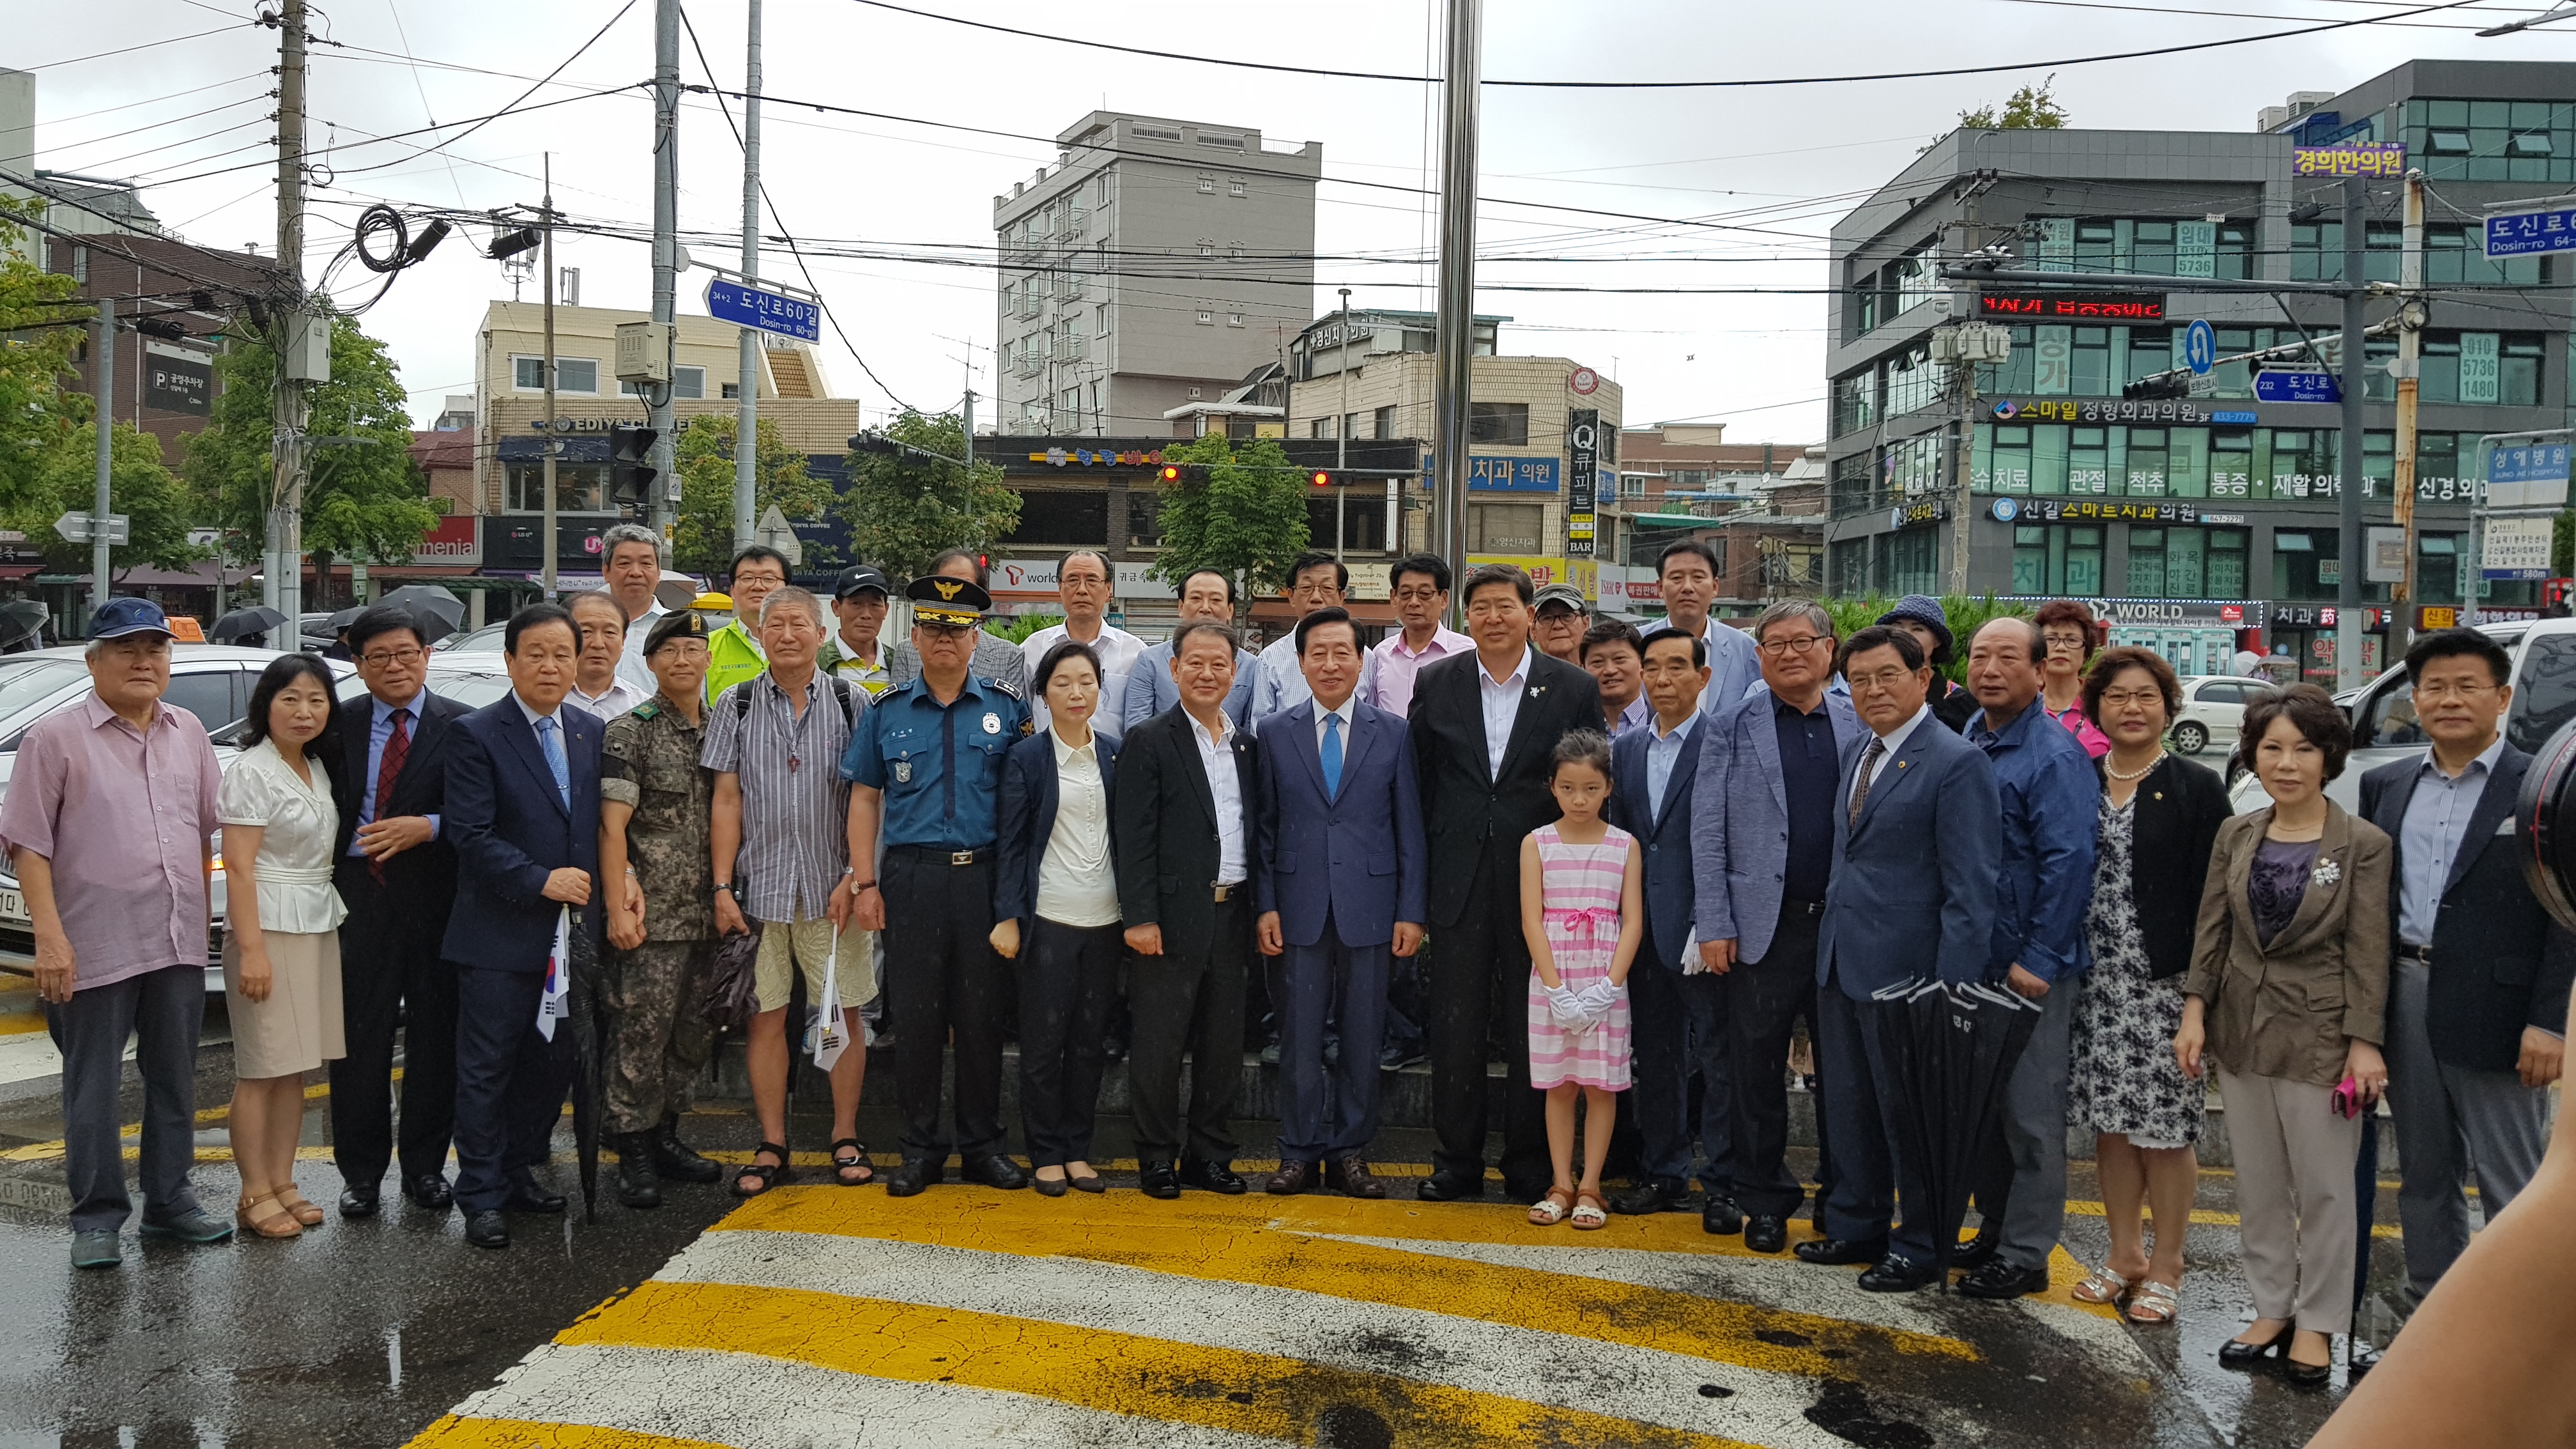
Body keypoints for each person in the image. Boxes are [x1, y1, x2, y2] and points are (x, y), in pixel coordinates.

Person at [1, 599, 234, 1266]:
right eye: (126, 649)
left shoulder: (187, 729)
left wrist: (198, 917)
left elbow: (201, 831)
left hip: (176, 940)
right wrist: (50, 939)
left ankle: (171, 1204)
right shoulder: (55, 739)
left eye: (155, 649)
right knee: (93, 1087)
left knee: (173, 1079)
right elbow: (29, 848)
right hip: (91, 942)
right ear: (93, 660)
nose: (143, 661)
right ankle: (96, 1220)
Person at [2177, 684, 2391, 1388]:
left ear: (2329, 756)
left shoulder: (2362, 844)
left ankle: (2320, 1322)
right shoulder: (2238, 833)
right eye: (2272, 747)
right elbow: (2213, 929)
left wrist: (2365, 1041)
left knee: (2327, 1190)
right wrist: (2195, 1010)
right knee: (2260, 1184)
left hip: (2323, 1037)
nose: (2287, 762)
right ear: (2253, 755)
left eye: (2304, 748)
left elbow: (2367, 949)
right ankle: (2271, 1307)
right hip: (2241, 1029)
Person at [2358, 628, 2573, 1312]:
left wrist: (2549, 1020)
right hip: (2406, 994)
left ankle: (2524, 1321)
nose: (2449, 700)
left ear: (2502, 697)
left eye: (2467, 686)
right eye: (2434, 688)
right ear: (2415, 700)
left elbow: (2568, 913)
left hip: (2503, 1010)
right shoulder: (2385, 784)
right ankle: (2431, 1305)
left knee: (2510, 1175)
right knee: (2423, 1170)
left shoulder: (2541, 787)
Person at [1797, 624, 2000, 1292]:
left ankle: (1918, 1245)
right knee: (1850, 1108)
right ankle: (1856, 1225)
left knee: (1910, 1118)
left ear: (1924, 680)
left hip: (1914, 976)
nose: (1872, 690)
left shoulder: (1956, 761)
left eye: (1888, 676)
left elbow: (1971, 889)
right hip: (1843, 962)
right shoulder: (1860, 749)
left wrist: (1952, 989)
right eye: (1859, 680)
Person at [1409, 564, 1604, 1203]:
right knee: (1455, 1024)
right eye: (1482, 607)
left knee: (1535, 1023)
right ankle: (1455, 1161)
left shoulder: (1572, 686)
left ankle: (1529, 1163)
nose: (1494, 618)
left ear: (1528, 615)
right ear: (1465, 617)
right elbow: (1421, 785)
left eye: (1506, 606)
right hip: (1457, 878)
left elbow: (1589, 786)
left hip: (1543, 884)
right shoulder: (1437, 682)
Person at [843, 574, 1031, 1196]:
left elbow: (1023, 808)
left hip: (982, 881)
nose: (945, 639)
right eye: (933, 628)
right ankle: (920, 1149)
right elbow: (865, 798)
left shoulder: (1009, 711)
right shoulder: (888, 713)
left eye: (958, 629)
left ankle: (982, 1147)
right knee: (918, 1022)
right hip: (911, 879)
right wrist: (865, 882)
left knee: (981, 1020)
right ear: (915, 637)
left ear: (977, 638)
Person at [2065, 646, 2229, 1326]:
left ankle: (2168, 1264)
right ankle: (2125, 1253)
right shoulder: (2079, 779)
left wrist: (2199, 1003)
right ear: (2096, 705)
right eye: (2118, 697)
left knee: (2165, 1133)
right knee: (2111, 1129)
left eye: (2147, 697)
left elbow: (2217, 904)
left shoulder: (2195, 787)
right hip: (2095, 984)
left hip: (2164, 987)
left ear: (2168, 706)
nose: (2132, 709)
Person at [1696, 600, 1864, 1254]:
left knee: (1845, 1075)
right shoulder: (1731, 725)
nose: (1789, 653)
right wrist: (1714, 922)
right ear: (1758, 656)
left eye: (1803, 642)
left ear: (1830, 649)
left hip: (1842, 928)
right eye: (1775, 644)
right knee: (1755, 1070)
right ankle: (1763, 1197)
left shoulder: (1861, 721)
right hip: (1762, 928)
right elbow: (1708, 831)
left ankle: (1842, 1197)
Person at [441, 602, 601, 1250]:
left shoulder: (590, 730)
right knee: (487, 1066)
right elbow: (470, 835)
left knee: (551, 1062)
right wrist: (541, 879)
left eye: (562, 654)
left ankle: (518, 1171)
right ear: (510, 661)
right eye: (535, 653)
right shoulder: (477, 735)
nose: (550, 665)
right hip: (499, 934)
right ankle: (479, 1192)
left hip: (570, 939)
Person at [1254, 607, 1425, 1199]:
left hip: (1372, 906)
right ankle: (1298, 1152)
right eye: (1318, 653)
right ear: (1300, 663)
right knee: (1298, 1037)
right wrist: (1266, 904)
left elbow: (1410, 829)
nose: (1330, 664)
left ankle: (1351, 1151)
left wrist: (1411, 910)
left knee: (1362, 1034)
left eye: (1342, 652)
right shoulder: (1275, 732)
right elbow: (1266, 830)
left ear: (1361, 660)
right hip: (1297, 907)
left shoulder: (1394, 732)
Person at [706, 585, 871, 1197]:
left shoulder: (854, 702)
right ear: (760, 633)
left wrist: (856, 877)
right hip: (762, 889)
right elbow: (726, 799)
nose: (787, 635)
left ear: (821, 634)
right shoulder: (737, 703)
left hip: (835, 893)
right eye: (775, 625)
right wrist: (723, 885)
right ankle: (772, 1141)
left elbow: (866, 798)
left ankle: (845, 1135)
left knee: (844, 1015)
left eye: (799, 624)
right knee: (766, 1018)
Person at [1954, 617, 2101, 1300]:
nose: (1990, 669)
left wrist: (2040, 955)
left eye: (2007, 657)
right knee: (1981, 1108)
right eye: (1980, 656)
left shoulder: (2053, 754)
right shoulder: (1970, 739)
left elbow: (2070, 862)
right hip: (1974, 958)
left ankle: (2026, 1250)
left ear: (2042, 673)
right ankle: (1995, 1227)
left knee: (2030, 1113)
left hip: (2028, 964)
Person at [326, 605, 470, 1219]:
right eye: (378, 657)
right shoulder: (336, 725)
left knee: (437, 1040)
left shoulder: (463, 726)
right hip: (358, 900)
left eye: (406, 653)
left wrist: (428, 826)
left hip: (436, 901)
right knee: (360, 1041)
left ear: (427, 655)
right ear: (358, 666)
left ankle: (426, 1169)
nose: (394, 666)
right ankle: (360, 1174)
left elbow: (483, 813)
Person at [1110, 622, 1259, 1199]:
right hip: (1170, 917)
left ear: (1234, 672)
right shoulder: (1150, 740)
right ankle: (1155, 1156)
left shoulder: (1246, 744)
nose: (1206, 674)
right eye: (1194, 663)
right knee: (1160, 1042)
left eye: (1218, 664)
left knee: (1223, 1044)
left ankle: (1209, 1155)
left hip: (1234, 912)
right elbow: (1134, 835)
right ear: (1173, 670)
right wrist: (1140, 917)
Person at [214, 654, 350, 1239]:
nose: (304, 711)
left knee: (296, 1067)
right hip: (265, 924)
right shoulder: (251, 770)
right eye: (290, 698)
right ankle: (252, 1192)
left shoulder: (314, 767)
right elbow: (239, 869)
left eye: (316, 699)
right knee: (262, 1067)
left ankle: (284, 1182)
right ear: (266, 704)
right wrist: (252, 951)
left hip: (316, 920)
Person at [596, 608, 725, 1209]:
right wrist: (620, 903)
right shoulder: (632, 730)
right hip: (653, 916)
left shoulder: (723, 729)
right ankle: (633, 1146)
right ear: (649, 664)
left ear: (707, 660)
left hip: (711, 912)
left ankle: (668, 1133)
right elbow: (612, 826)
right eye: (669, 651)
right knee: (639, 1033)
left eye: (692, 651)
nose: (682, 661)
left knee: (693, 1034)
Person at [1606, 629, 1729, 1227]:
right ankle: (1665, 1173)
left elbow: (1736, 843)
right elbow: (1626, 841)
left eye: (1677, 667)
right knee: (1655, 1057)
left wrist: (1714, 919)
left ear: (1703, 677)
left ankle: (1728, 1181)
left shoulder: (1725, 744)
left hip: (1708, 932)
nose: (1662, 679)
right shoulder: (1625, 750)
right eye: (1652, 667)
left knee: (1720, 1055)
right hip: (1645, 929)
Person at [995, 640, 1123, 1197]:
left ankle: (1077, 1149)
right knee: (1044, 1044)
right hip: (1048, 918)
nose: (1076, 692)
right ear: (1043, 694)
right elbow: (1012, 844)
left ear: (1100, 688)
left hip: (1106, 922)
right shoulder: (1027, 758)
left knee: (1090, 1044)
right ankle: (1045, 1151)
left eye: (1086, 681)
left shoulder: (1117, 754)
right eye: (1063, 682)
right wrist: (1007, 916)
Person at [1521, 730, 1646, 1229]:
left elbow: (1633, 919)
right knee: (1559, 1085)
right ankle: (1560, 1182)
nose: (1579, 799)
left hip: (1604, 980)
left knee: (1601, 1086)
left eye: (1591, 788)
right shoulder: (1537, 844)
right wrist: (1555, 988)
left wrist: (1607, 988)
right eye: (1569, 788)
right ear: (1552, 786)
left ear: (1609, 788)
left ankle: (1592, 1185)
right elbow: (1533, 919)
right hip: (1553, 979)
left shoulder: (1624, 846)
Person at [1018, 550, 1146, 736]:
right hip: (1048, 761)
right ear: (1060, 588)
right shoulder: (1033, 649)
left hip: (1113, 762)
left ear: (1108, 589)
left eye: (1092, 580)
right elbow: (1023, 713)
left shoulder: (1135, 653)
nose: (1082, 590)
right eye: (1072, 581)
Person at [1247, 551, 1379, 724]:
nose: (1316, 598)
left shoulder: (1365, 657)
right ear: (1292, 596)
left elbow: (1372, 721)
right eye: (1306, 588)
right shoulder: (1270, 659)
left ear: (1341, 597)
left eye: (1327, 588)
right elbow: (1260, 729)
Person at [1124, 567, 1259, 731]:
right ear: (1181, 607)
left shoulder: (1252, 666)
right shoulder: (1149, 661)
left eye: (1216, 600)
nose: (1205, 607)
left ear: (1230, 610)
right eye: (1196, 598)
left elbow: (1251, 731)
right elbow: (1136, 727)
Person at [1641, 540, 1759, 716]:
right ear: (1660, 588)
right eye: (1676, 578)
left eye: (1698, 578)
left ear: (1714, 587)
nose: (1687, 587)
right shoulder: (1637, 643)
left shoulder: (1744, 648)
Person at [891, 548, 1027, 695]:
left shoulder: (1009, 655)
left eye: (964, 585)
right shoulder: (906, 651)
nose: (951, 592)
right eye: (943, 584)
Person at [1362, 551, 1471, 719]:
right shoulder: (1380, 654)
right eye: (1405, 594)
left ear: (1444, 599)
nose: (1414, 602)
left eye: (1425, 594)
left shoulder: (1467, 653)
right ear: (1394, 597)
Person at [1874, 595, 1976, 732]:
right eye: (1897, 628)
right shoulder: (1875, 693)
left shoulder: (1959, 702)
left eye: (1918, 629)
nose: (1905, 636)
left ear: (1937, 641)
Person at [703, 546, 790, 705]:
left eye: (769, 579)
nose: (757, 586)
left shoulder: (807, 646)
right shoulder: (706, 647)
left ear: (787, 590)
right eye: (747, 578)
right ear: (733, 591)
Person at [2035, 600, 2112, 758]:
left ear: (2086, 652)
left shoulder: (2104, 705)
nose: (2061, 647)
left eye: (2072, 640)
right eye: (2051, 639)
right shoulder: (2021, 705)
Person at [602, 523, 669, 694]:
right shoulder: (578, 627)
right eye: (624, 563)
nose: (636, 572)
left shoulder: (674, 628)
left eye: (646, 563)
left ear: (659, 572)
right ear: (606, 571)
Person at [565, 590, 650, 721]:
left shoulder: (641, 706)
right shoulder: (543, 701)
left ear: (623, 640)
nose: (598, 644)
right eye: (586, 631)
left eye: (610, 632)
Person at [819, 564, 896, 698]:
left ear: (886, 610)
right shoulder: (816, 662)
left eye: (875, 605)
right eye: (856, 603)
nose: (866, 614)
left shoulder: (897, 663)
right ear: (836, 607)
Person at [1581, 619, 1652, 738]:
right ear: (1583, 669)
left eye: (1619, 659)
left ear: (1642, 663)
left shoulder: (1668, 721)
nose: (1610, 670)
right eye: (1597, 662)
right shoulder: (1572, 725)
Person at [1532, 583, 1590, 666]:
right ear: (1533, 631)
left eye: (1567, 616)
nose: (1558, 626)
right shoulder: (1521, 677)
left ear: (1585, 624)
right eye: (1547, 618)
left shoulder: (1600, 675)